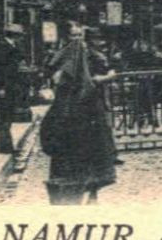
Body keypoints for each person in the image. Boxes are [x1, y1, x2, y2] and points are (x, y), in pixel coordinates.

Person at [42, 21, 119, 204]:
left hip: (90, 108)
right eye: (73, 36)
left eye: (79, 36)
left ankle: (93, 191)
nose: (77, 40)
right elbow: (51, 75)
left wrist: (101, 78)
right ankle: (65, 187)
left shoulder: (92, 55)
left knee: (95, 149)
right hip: (67, 107)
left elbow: (110, 71)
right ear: (67, 38)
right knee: (68, 147)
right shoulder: (60, 56)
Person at [0, 25, 30, 156]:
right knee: (5, 117)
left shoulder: (12, 47)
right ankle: (5, 147)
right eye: (20, 36)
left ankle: (7, 145)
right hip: (4, 87)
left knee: (9, 116)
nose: (21, 38)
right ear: (15, 35)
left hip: (11, 86)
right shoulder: (1, 47)